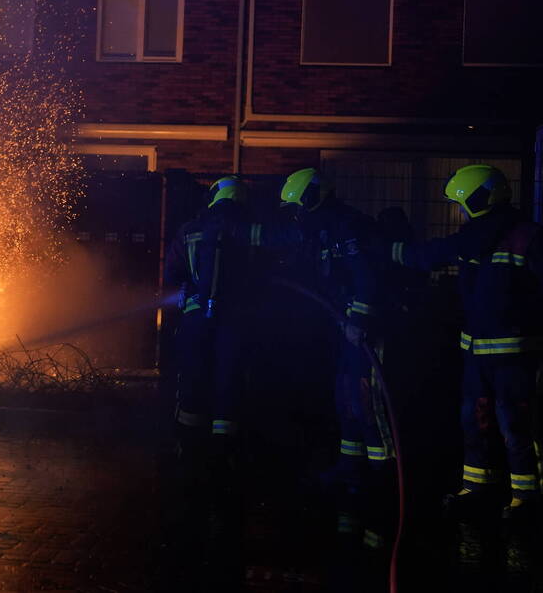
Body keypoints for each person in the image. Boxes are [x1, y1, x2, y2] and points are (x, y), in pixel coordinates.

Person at [390, 164, 542, 521]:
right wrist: (388, 249)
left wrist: (388, 250)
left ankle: (527, 497)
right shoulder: (474, 237)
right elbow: (425, 256)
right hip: (478, 354)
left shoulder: (527, 238)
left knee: (517, 425)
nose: (458, 211)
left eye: (460, 203)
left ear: (475, 200)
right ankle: (477, 487)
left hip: (515, 356)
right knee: (475, 423)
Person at [279, 168, 393, 551]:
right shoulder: (324, 229)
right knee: (346, 398)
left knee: (366, 399)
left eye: (299, 207)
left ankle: (383, 473)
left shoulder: (348, 227)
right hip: (341, 325)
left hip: (363, 329)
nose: (297, 215)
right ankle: (352, 466)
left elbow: (368, 279)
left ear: (312, 199)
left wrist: (359, 319)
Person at [164, 176, 261, 469]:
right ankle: (224, 450)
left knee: (193, 377)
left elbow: (171, 275)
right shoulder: (250, 230)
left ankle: (188, 447)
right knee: (228, 379)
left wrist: (186, 291)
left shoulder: (190, 229)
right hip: (235, 321)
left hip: (195, 321)